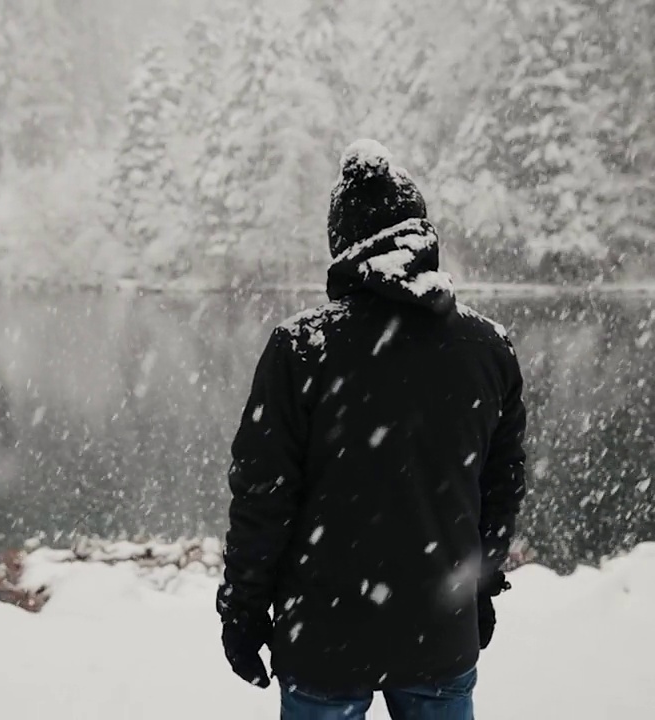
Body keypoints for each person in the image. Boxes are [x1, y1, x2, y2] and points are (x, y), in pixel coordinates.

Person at [217, 139, 527, 719]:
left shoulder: (302, 349)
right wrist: (480, 588)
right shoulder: (487, 348)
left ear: (342, 243)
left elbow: (262, 497)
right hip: (439, 636)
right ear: (421, 235)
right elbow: (499, 494)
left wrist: (242, 610)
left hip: (322, 641)